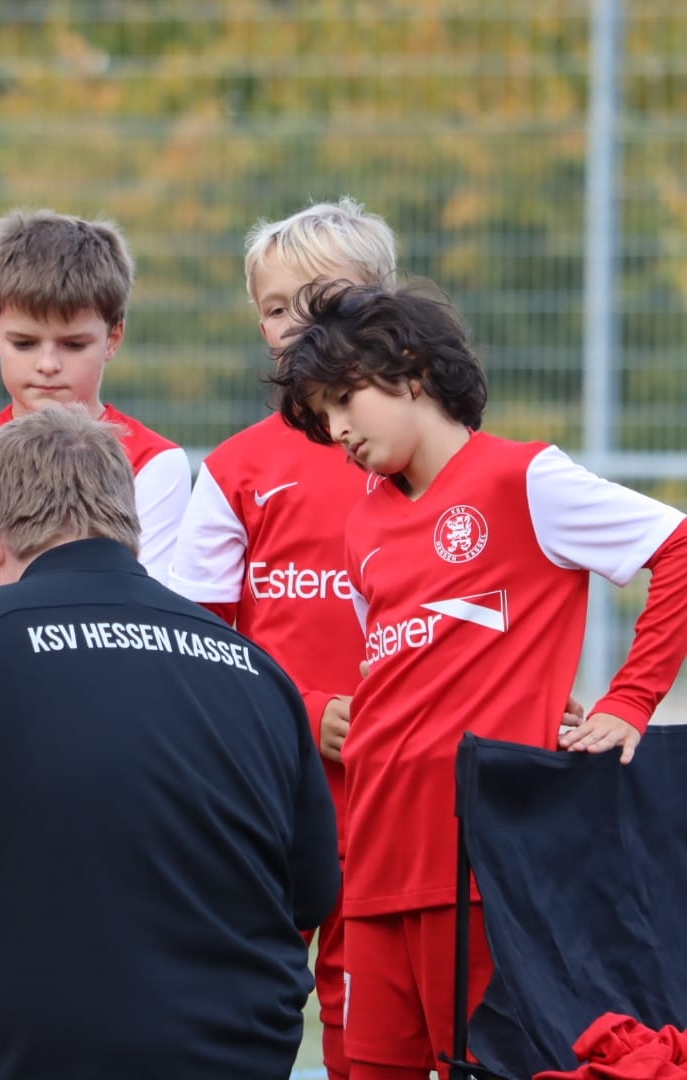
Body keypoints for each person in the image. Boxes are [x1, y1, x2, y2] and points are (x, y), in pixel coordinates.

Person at [0, 404, 340, 1079]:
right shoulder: (252, 665)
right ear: (132, 528)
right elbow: (312, 886)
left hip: (31, 1040)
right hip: (240, 1040)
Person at [269, 282, 687, 1079]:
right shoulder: (362, 526)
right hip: (374, 869)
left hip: (487, 873)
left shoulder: (524, 479)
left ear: (412, 369)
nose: (337, 429)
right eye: (322, 415)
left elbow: (679, 548)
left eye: (345, 399)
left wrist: (629, 700)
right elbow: (407, 675)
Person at [164, 195, 397, 1080]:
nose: (297, 321)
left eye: (323, 296)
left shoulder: (433, 454)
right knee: (234, 1005)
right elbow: (190, 646)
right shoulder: (236, 469)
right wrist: (303, 708)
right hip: (267, 792)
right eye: (275, 306)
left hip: (396, 798)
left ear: (382, 302)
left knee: (367, 1019)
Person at [0, 209, 189, 618]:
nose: (47, 364)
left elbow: (144, 621)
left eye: (73, 345)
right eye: (24, 343)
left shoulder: (153, 464)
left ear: (113, 338)